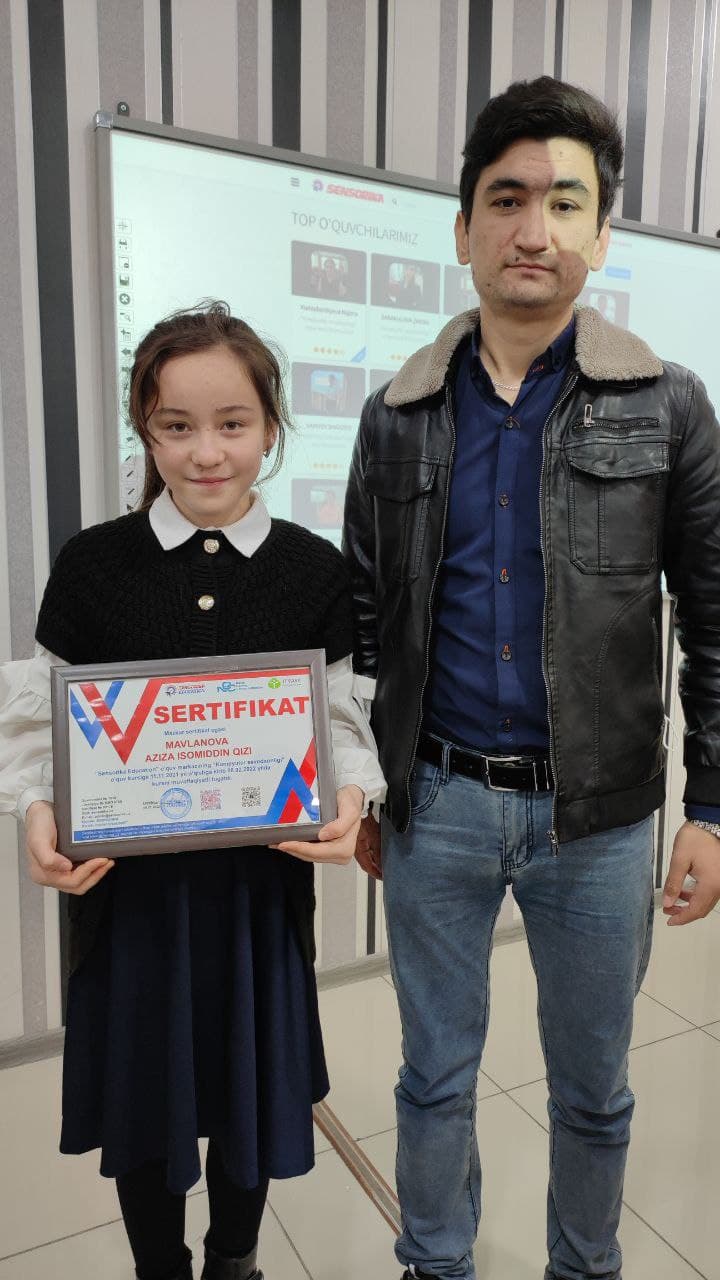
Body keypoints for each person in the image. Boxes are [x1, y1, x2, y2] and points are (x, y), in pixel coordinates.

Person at [343, 76, 720, 1280]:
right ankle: (437, 1262)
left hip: (598, 820)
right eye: (506, 199)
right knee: (433, 1076)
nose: (533, 228)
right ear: (463, 228)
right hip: (437, 804)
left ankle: (584, 1265)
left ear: (601, 235)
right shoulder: (395, 415)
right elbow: (363, 624)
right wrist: (361, 781)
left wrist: (711, 807)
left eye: (565, 202)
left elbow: (715, 621)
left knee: (594, 1086)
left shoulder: (671, 406)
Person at [0, 302, 385, 1280]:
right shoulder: (94, 563)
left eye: (233, 423)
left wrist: (350, 800)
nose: (207, 452)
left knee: (248, 1099)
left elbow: (342, 719)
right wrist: (36, 813)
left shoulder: (313, 569)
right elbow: (42, 720)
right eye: (177, 425)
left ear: (271, 426)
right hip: (128, 904)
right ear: (146, 427)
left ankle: (234, 1260)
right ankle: (158, 1268)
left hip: (258, 900)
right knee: (144, 1101)